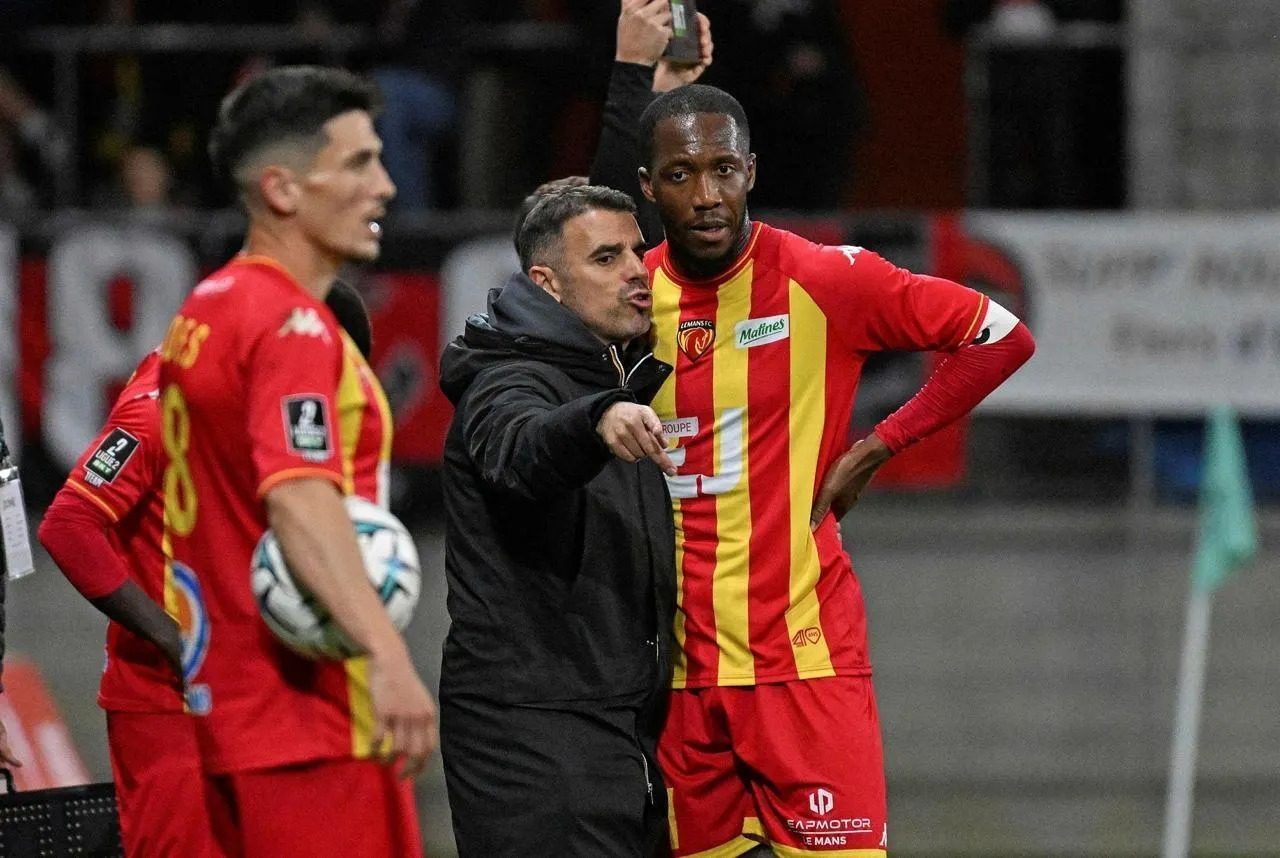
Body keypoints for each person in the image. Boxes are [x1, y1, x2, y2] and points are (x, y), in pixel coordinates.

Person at [622, 84, 1036, 856]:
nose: (706, 195)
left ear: (751, 170)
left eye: (723, 170)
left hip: (805, 668)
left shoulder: (822, 278)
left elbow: (1001, 337)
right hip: (678, 683)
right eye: (680, 175)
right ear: (647, 187)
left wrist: (880, 444)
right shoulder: (626, 302)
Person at [157, 65, 435, 857]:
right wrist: (387, 653)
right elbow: (300, 497)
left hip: (228, 707)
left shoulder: (208, 307)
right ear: (281, 189)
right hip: (311, 717)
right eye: (358, 163)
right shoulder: (293, 328)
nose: (384, 186)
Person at [35, 282, 375, 857]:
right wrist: (175, 641)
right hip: (169, 708)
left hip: (257, 698)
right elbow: (68, 526)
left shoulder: (273, 412)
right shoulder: (160, 406)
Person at [437, 185, 676, 857]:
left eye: (637, 251)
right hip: (534, 742)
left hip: (609, 727)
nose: (636, 270)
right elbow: (523, 448)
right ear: (548, 284)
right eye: (606, 258)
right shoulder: (507, 381)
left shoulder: (601, 369)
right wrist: (595, 420)